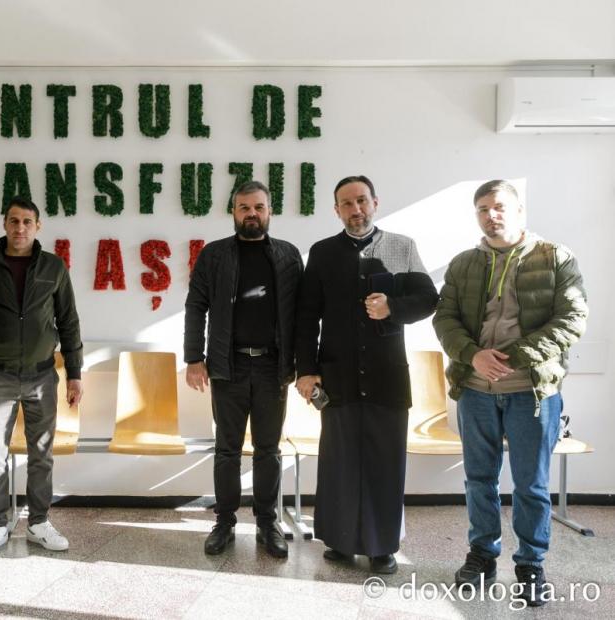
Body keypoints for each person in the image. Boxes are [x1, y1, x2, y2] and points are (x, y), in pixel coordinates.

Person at [433, 180, 588, 607]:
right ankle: (482, 555)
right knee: (479, 479)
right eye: (482, 209)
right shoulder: (463, 263)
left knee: (530, 484)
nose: (491, 215)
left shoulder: (555, 258)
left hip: (532, 392)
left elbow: (572, 318)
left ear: (519, 211)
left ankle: (531, 565)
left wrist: (512, 358)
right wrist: (473, 356)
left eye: (499, 207)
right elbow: (445, 318)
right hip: (475, 390)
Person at [295, 175, 437, 574]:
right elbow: (306, 317)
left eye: (361, 200)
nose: (355, 209)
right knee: (339, 462)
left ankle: (381, 547)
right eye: (346, 203)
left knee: (384, 463)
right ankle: (339, 542)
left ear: (375, 202)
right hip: (336, 376)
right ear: (336, 210)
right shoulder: (322, 252)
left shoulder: (402, 247)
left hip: (386, 378)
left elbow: (429, 299)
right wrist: (306, 371)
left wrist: (393, 307)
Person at [0, 196, 83, 557]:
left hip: (43, 375)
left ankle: (39, 523)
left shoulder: (53, 267)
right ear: (4, 224)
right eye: (14, 221)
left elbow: (68, 321)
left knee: (41, 453)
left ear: (38, 226)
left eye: (27, 222)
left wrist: (75, 373)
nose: (20, 228)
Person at [184, 180, 303, 559]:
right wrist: (193, 358)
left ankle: (268, 523)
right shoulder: (214, 255)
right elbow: (195, 306)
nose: (252, 214)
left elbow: (302, 315)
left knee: (268, 450)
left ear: (269, 211)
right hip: (228, 365)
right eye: (244, 207)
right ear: (233, 212)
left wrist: (304, 365)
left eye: (258, 207)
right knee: (227, 450)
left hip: (272, 367)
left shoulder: (288, 255)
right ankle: (224, 522)